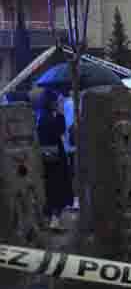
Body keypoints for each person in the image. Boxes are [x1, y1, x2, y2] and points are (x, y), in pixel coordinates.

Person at [36, 89, 71, 230]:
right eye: (55, 101)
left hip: (47, 155)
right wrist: (61, 114)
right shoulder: (48, 117)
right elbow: (60, 130)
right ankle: (54, 221)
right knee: (57, 187)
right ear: (50, 102)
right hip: (54, 156)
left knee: (51, 187)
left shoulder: (42, 116)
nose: (57, 103)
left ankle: (52, 219)